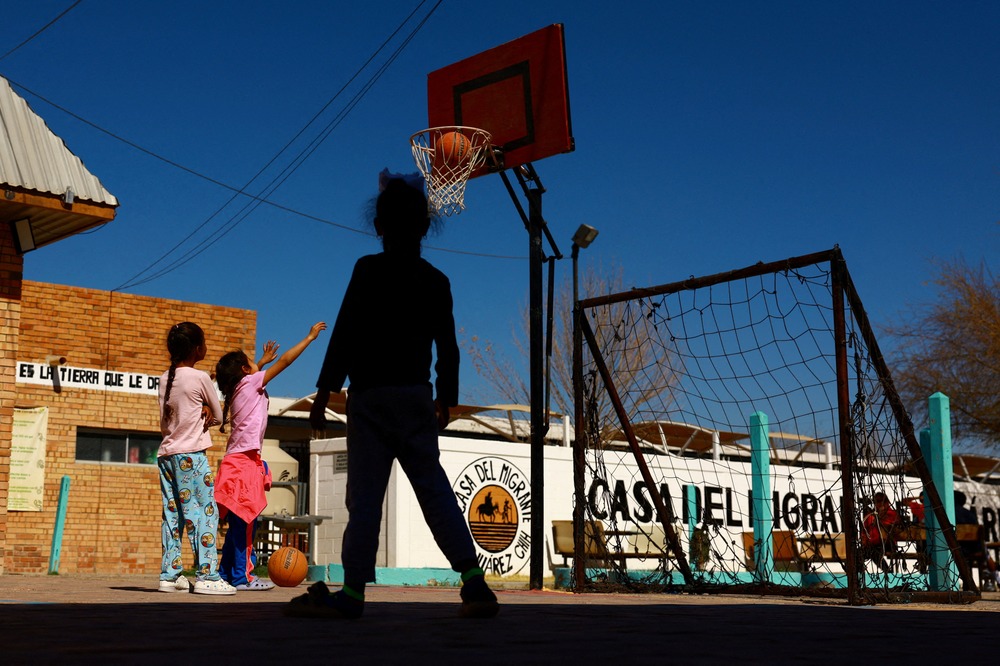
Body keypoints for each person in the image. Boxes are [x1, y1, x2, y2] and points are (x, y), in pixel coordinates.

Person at [286, 176, 498, 620]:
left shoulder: (367, 269)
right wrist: (448, 398)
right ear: (424, 229)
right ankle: (474, 583)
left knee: (364, 499)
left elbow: (344, 333)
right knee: (436, 492)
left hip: (371, 397)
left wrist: (325, 392)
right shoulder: (436, 280)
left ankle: (354, 594)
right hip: (416, 396)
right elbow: (449, 345)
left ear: (379, 226)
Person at [214, 322, 327, 591]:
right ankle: (244, 578)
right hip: (244, 464)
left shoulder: (238, 389)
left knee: (237, 524)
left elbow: (252, 374)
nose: (257, 365)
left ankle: (227, 574)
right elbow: (286, 361)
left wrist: (260, 361)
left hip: (236, 462)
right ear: (244, 371)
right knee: (247, 523)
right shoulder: (251, 383)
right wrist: (309, 337)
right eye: (251, 363)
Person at [157, 322, 236, 595]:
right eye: (204, 342)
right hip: (191, 456)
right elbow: (218, 415)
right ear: (195, 348)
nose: (207, 347)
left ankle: (170, 575)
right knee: (204, 514)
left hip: (166, 455)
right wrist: (206, 409)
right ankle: (207, 576)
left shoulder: (164, 378)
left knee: (173, 516)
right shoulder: (200, 377)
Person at [860, 491, 900, 573]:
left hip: (887, 543)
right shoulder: (870, 516)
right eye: (876, 502)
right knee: (857, 553)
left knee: (874, 551)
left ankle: (887, 572)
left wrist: (880, 516)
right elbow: (864, 530)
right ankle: (857, 574)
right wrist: (864, 540)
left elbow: (890, 527)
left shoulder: (892, 514)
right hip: (872, 544)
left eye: (882, 501)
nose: (879, 504)